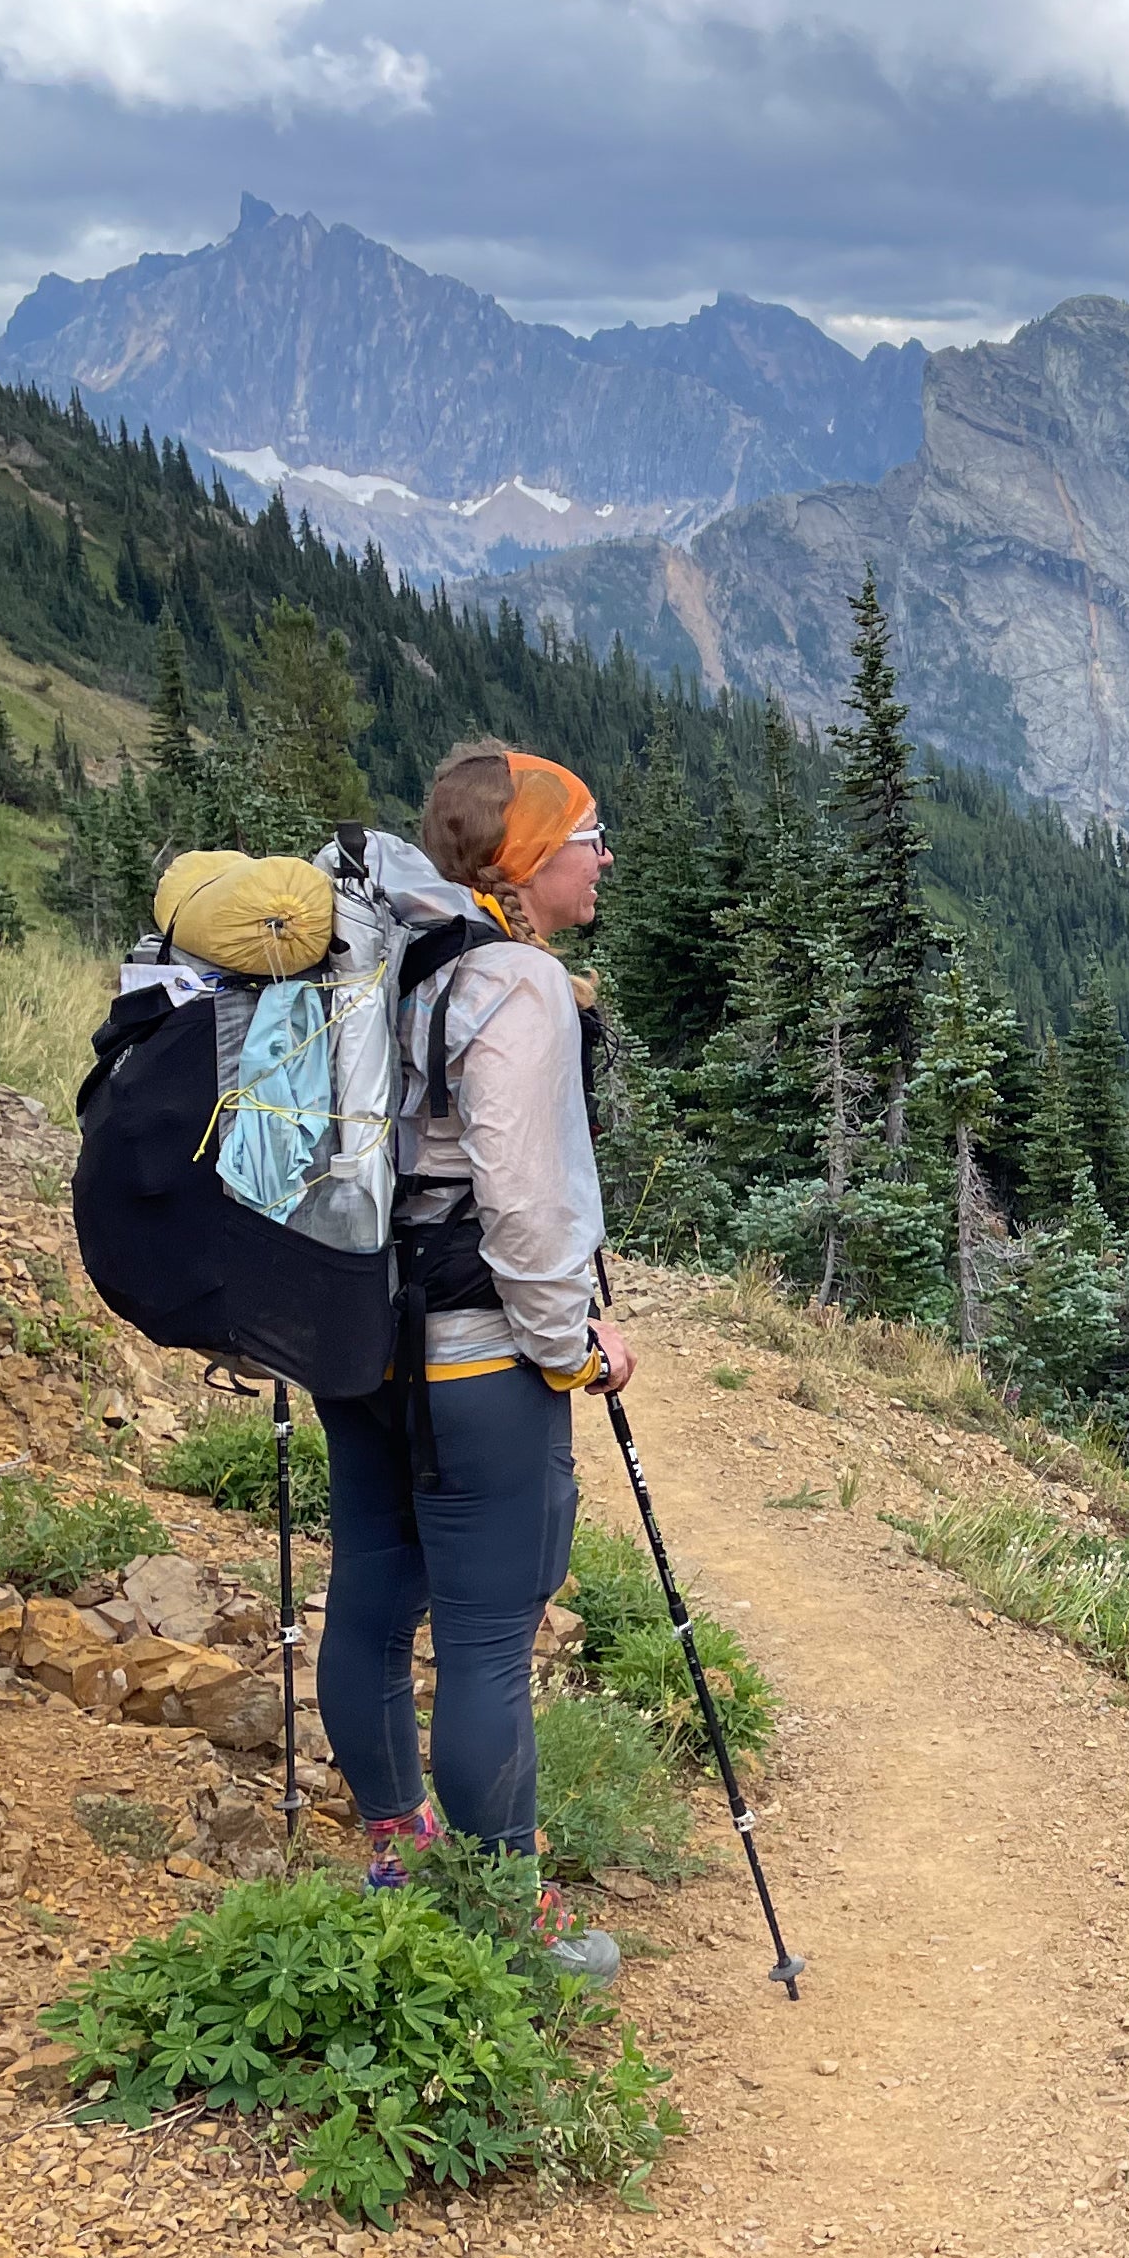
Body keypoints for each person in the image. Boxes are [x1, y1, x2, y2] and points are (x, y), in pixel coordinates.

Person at [313, 741, 633, 1972]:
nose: (604, 860)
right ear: (534, 854)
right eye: (592, 836)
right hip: (475, 1361)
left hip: (361, 1341)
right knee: (491, 1637)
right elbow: (524, 1203)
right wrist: (572, 1350)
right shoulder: (517, 984)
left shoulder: (383, 961)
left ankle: (397, 1858)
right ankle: (512, 1919)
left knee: (373, 1606)